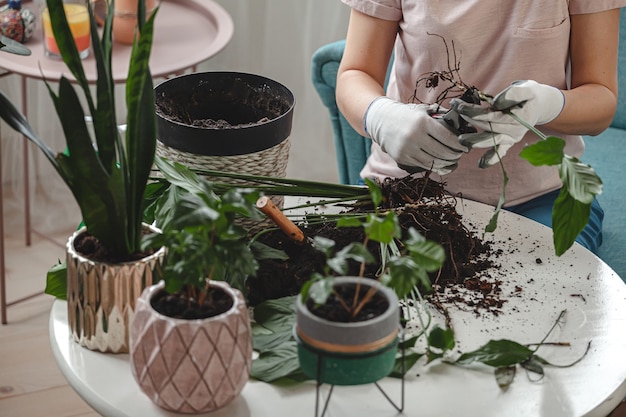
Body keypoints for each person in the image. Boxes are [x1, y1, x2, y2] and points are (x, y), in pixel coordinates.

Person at [335, 1, 626, 254]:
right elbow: (355, 73)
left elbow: (600, 100)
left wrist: (547, 104)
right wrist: (381, 116)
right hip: (407, 190)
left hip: (541, 198)